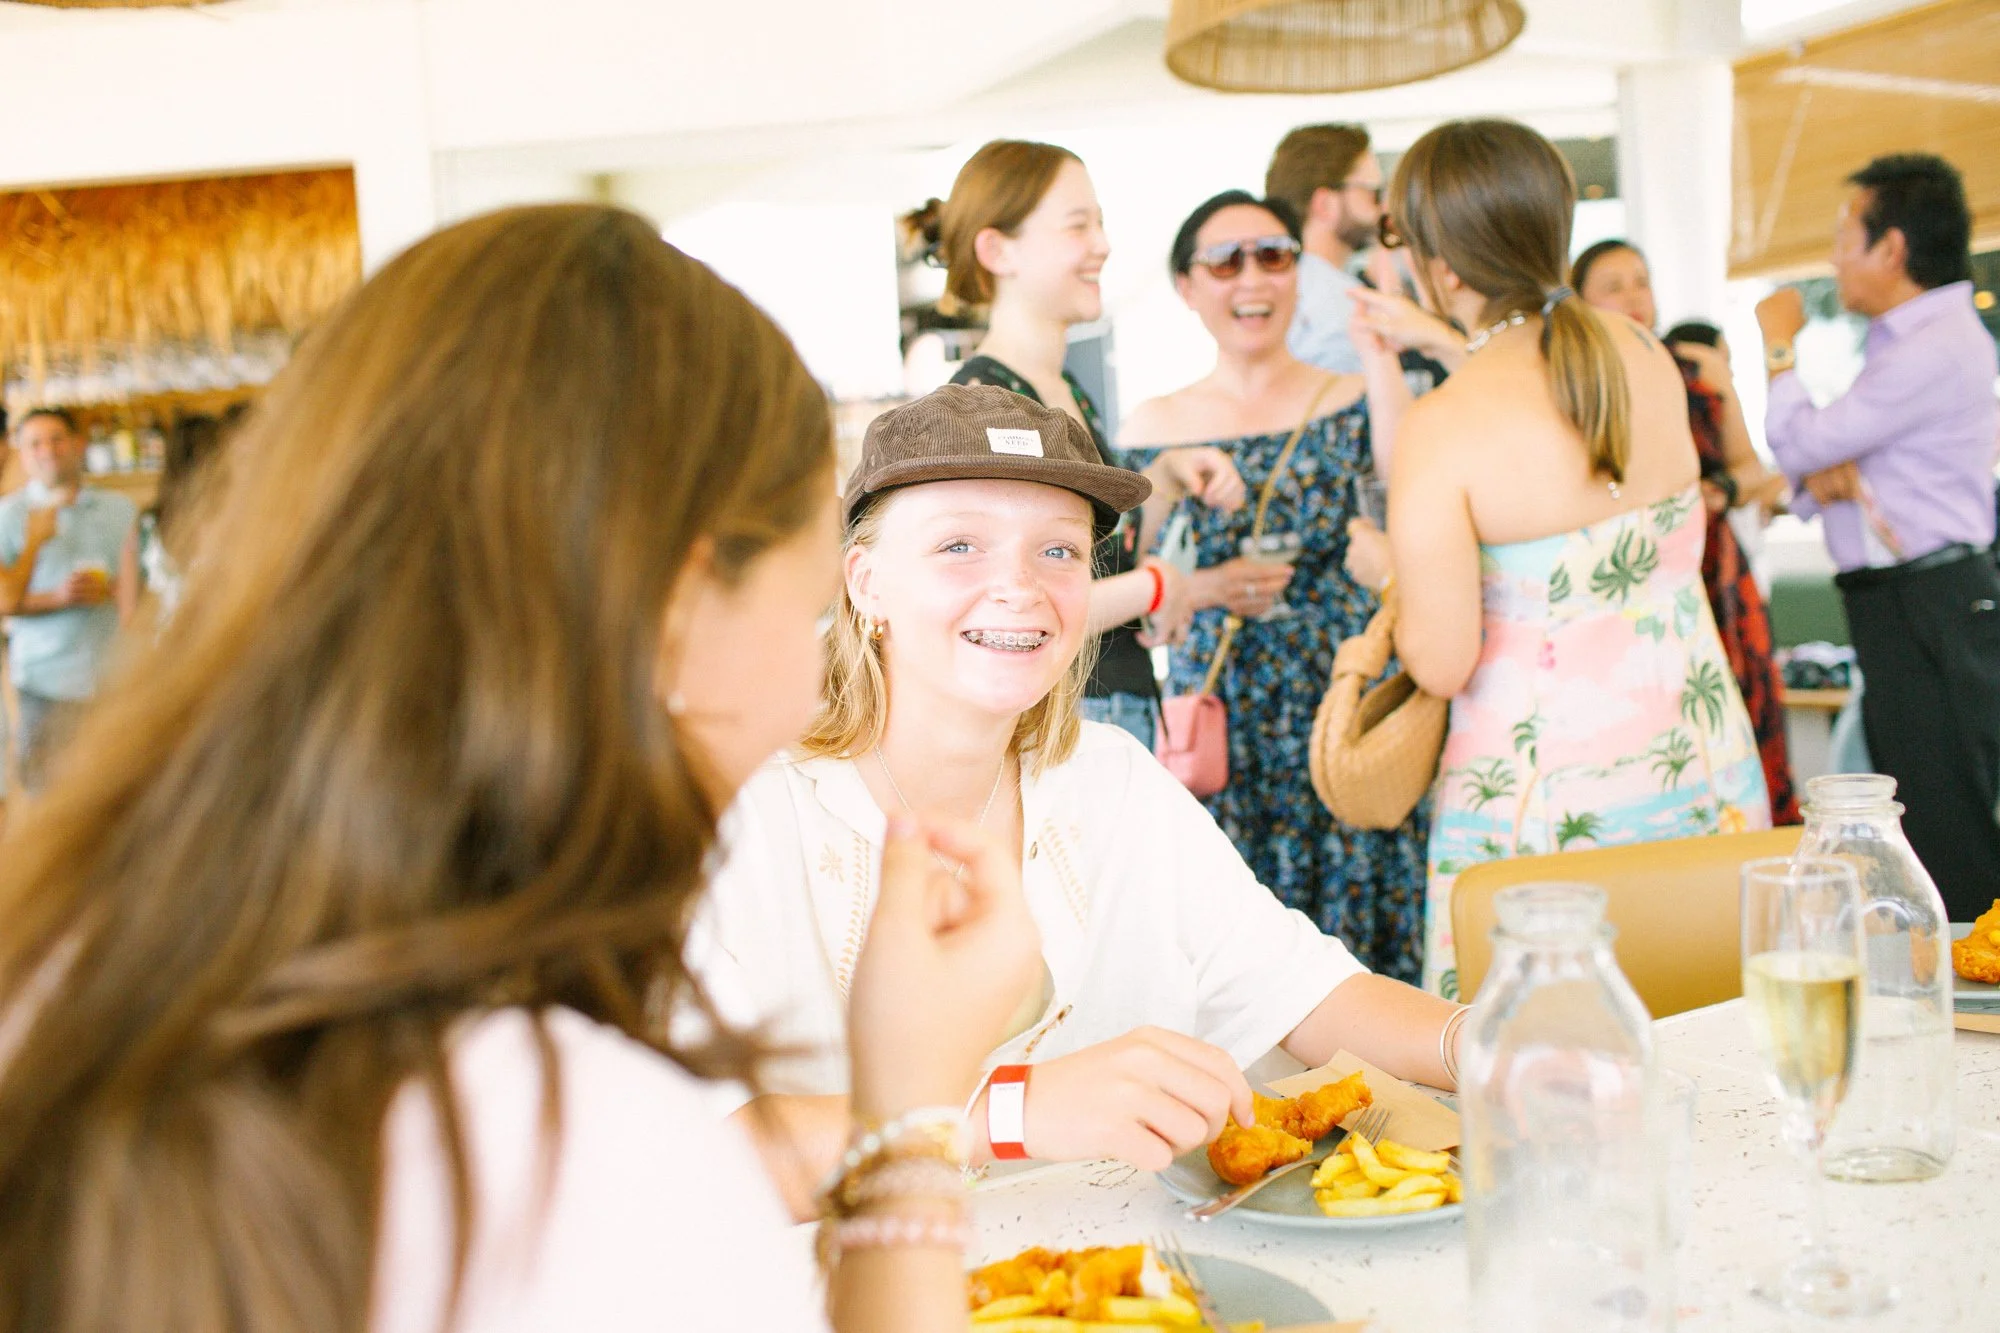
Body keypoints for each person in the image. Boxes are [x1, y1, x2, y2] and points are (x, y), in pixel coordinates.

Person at [0, 205, 1045, 1333]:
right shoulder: (569, 1149)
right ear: (685, 612)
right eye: (803, 618)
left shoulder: (66, 959)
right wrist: (911, 1125)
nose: (807, 686)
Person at [699, 383, 1469, 1211]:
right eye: (960, 544)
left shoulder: (1113, 779)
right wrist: (1008, 1112)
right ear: (866, 581)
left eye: (1058, 551)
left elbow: (1304, 990)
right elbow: (700, 1149)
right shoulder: (744, 813)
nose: (1020, 587)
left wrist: (1490, 1043)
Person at [1343, 120, 1770, 998]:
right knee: (1713, 1034)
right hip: (1701, 767)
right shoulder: (1642, 355)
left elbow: (1441, 655)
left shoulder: (1445, 424)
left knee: (1556, 1070)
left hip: (1547, 805)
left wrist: (1390, 568)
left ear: (1443, 266)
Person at [1118, 190, 1429, 984]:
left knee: (1363, 921)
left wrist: (1382, 351)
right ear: (1188, 288)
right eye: (1224, 261)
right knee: (1236, 937)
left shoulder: (1353, 395)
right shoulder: (1158, 422)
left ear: (1298, 272)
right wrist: (1206, 575)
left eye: (1274, 255)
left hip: (1343, 701)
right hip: (1227, 708)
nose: (1251, 277)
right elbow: (1125, 574)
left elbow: (1407, 490)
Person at [913, 139, 1242, 749]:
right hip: (1062, 724)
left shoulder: (1064, 390)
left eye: (1100, 223)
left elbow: (1094, 555)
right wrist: (1159, 588)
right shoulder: (985, 406)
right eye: (1077, 225)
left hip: (1113, 714)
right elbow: (1016, 605)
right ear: (997, 249)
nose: (1103, 245)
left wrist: (1164, 480)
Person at [1756, 153, 2000, 921]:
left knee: (1948, 823)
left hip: (1929, 598)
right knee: (1925, 813)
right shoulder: (1904, 342)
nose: (1832, 257)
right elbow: (1817, 465)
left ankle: (1977, 1009)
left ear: (1891, 249)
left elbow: (1799, 450)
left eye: (1844, 236)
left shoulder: (1933, 346)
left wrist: (1778, 347)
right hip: (1908, 599)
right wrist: (1827, 462)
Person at [1573, 239, 1798, 824]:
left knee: (1734, 718)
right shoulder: (1576, 382)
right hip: (1626, 576)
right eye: (1613, 285)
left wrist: (1719, 488)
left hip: (1712, 572)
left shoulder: (1698, 367)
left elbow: (1754, 471)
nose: (1633, 297)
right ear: (1580, 299)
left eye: (1641, 281)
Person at [1265, 124, 1464, 396]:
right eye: (1373, 193)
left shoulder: (1298, 289)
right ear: (1326, 204)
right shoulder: (1337, 304)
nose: (1382, 208)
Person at [0, 407, 138, 792]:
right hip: (44, 684)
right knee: (46, 799)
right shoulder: (7, 516)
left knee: (117, 797)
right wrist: (59, 597)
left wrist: (116, 594)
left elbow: (136, 594)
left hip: (112, 679)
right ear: (21, 453)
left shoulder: (119, 510)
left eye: (57, 439)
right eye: (35, 443)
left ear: (79, 444)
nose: (48, 450)